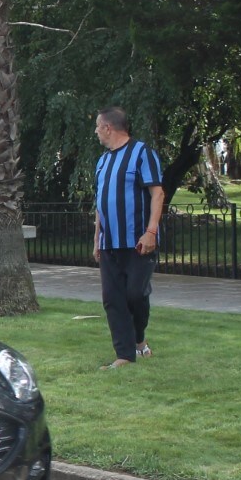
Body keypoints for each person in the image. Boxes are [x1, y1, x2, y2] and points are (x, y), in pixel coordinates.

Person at [93, 107, 165, 369]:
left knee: (135, 294)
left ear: (108, 128)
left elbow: (157, 194)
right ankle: (124, 354)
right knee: (113, 298)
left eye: (98, 127)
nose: (96, 132)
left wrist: (151, 231)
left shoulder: (142, 153)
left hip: (138, 241)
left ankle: (139, 339)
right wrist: (96, 238)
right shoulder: (102, 161)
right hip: (109, 242)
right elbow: (100, 203)